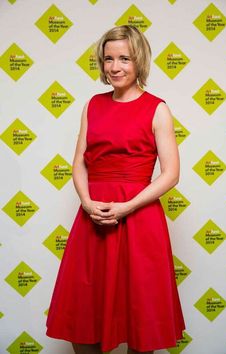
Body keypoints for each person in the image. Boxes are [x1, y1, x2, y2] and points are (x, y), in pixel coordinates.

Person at [46, 25, 185, 354]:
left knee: (141, 315)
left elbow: (171, 174)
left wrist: (126, 207)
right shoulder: (92, 105)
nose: (115, 67)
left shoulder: (157, 108)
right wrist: (87, 202)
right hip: (93, 218)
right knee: (83, 317)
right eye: (108, 59)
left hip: (139, 221)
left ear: (139, 61)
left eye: (124, 58)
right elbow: (79, 162)